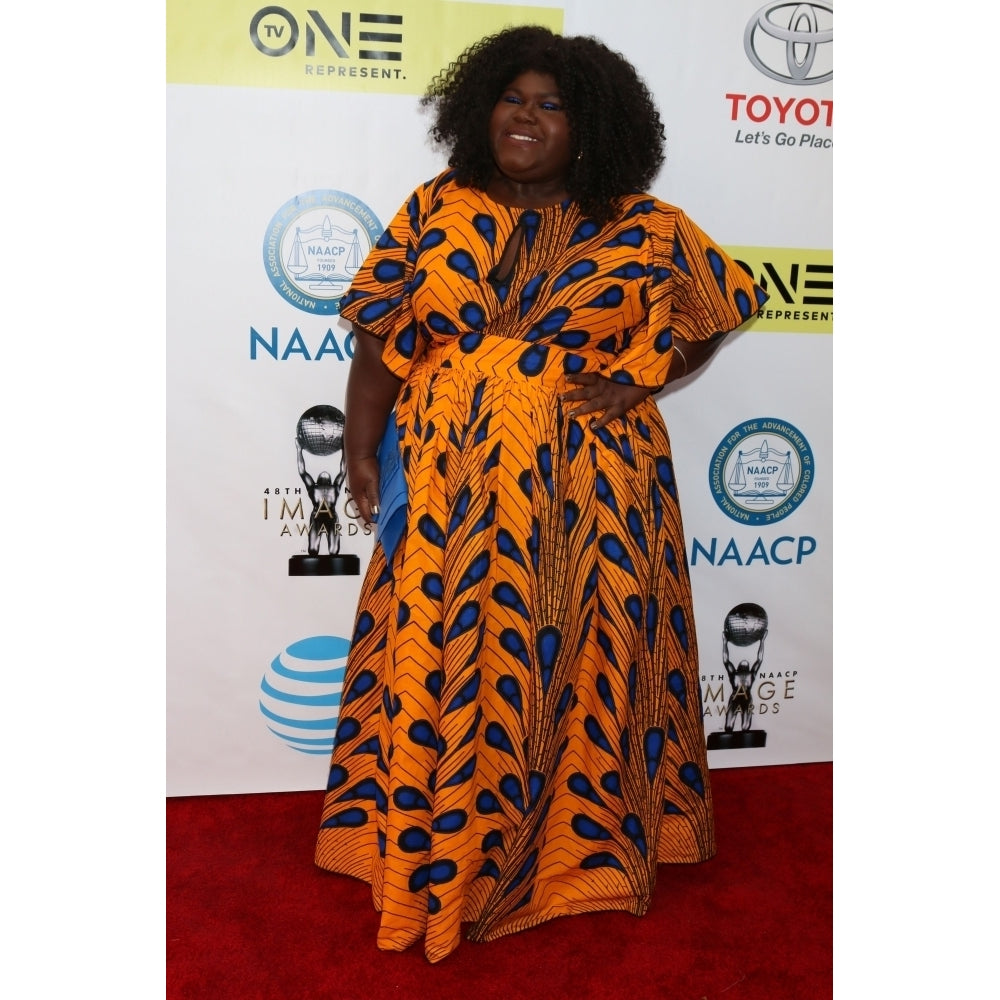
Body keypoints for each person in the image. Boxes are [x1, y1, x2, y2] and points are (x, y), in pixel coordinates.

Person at [314, 24, 768, 963]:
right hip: (449, 476)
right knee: (444, 648)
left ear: (591, 124)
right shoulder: (437, 207)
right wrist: (362, 447)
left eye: (551, 103)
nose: (526, 116)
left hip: (591, 486)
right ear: (480, 107)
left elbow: (718, 304)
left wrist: (643, 376)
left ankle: (571, 855)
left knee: (584, 654)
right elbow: (377, 338)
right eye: (512, 98)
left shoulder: (644, 225)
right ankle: (435, 846)